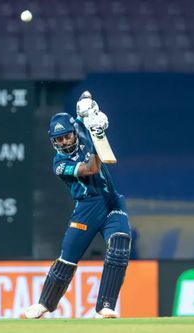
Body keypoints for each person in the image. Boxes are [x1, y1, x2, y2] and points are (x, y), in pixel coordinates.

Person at [25, 91, 131, 319]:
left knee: (120, 244)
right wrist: (96, 137)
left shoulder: (82, 128)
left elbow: (86, 99)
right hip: (87, 207)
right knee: (68, 258)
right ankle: (44, 304)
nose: (64, 142)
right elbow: (91, 169)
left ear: (74, 132)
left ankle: (105, 306)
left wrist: (94, 113)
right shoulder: (59, 164)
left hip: (111, 200)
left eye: (67, 136)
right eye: (59, 139)